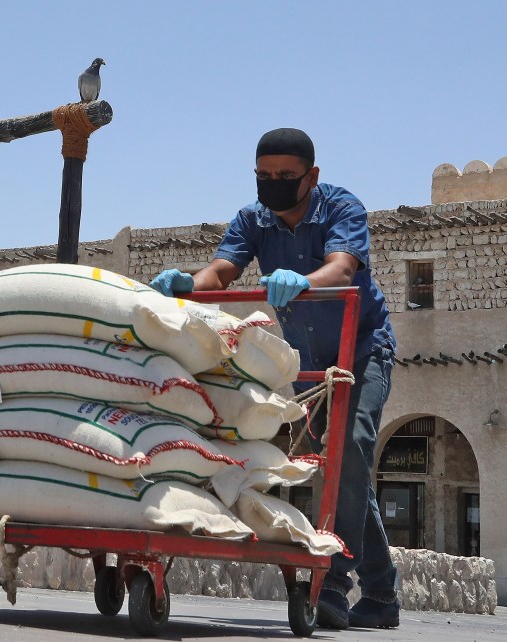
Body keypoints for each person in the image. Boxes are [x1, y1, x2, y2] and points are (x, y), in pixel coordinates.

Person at [150, 128, 400, 630]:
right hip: (307, 361)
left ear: (312, 176)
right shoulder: (253, 219)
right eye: (264, 176)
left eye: (285, 177)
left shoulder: (340, 208)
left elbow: (343, 266)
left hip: (362, 350)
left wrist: (305, 281)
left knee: (349, 448)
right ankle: (381, 592)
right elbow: (220, 273)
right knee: (339, 465)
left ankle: (332, 580)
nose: (273, 185)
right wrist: (185, 285)